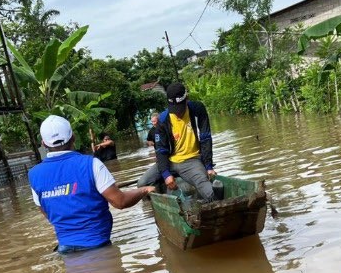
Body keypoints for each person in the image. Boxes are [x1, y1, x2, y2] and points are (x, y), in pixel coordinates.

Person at [29, 115, 155, 253]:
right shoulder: (91, 164)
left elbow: (46, 211)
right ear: (73, 137)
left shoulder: (34, 174)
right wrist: (144, 190)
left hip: (65, 250)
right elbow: (120, 202)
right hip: (98, 246)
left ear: (43, 143)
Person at [136, 82, 216, 202]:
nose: (178, 113)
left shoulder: (197, 109)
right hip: (170, 161)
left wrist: (208, 166)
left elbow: (205, 138)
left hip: (192, 161)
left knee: (211, 194)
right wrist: (166, 174)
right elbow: (161, 151)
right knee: (142, 184)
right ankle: (161, 204)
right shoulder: (162, 119)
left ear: (186, 99)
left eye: (180, 108)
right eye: (174, 110)